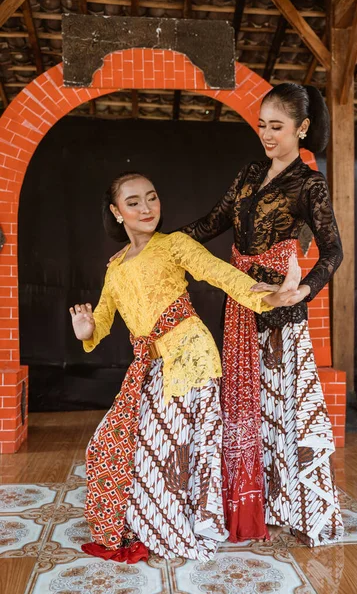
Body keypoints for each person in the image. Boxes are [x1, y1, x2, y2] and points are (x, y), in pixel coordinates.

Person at [70, 170, 302, 563]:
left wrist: (268, 296)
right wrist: (86, 328)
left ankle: (175, 530)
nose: (146, 208)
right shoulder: (116, 268)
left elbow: (219, 273)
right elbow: (104, 319)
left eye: (152, 197)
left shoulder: (174, 244)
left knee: (172, 452)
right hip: (149, 365)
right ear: (116, 212)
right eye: (133, 202)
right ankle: (154, 523)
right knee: (107, 446)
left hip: (190, 356)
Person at [178, 83, 344, 547]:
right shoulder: (250, 173)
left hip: (280, 310)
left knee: (284, 410)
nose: (267, 136)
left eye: (277, 127)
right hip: (240, 302)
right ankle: (249, 506)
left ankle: (297, 510)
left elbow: (334, 250)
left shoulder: (309, 183)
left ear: (302, 129)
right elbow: (212, 223)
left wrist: (304, 291)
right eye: (262, 126)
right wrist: (162, 244)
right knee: (245, 410)